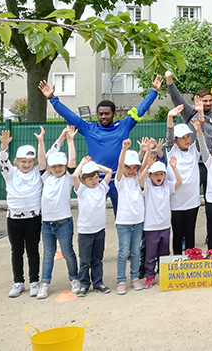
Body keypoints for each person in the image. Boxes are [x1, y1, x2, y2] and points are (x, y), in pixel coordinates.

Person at [38, 75, 163, 214]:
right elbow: (69, 115)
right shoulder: (88, 128)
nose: (103, 116)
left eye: (107, 114)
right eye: (100, 114)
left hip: (119, 180)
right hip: (95, 181)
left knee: (123, 216)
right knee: (93, 217)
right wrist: (52, 98)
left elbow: (140, 109)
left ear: (114, 114)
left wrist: (154, 91)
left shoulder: (124, 125)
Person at [34, 127, 80, 300]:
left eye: (61, 165)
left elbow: (73, 160)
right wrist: (41, 142)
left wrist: (70, 141)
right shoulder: (46, 177)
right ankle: (44, 283)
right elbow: (41, 161)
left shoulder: (68, 179)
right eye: (54, 166)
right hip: (47, 223)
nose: (58, 168)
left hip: (64, 222)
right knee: (48, 254)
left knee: (68, 252)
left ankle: (74, 279)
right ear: (49, 168)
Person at [0, 130, 43, 299]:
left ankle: (34, 282)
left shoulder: (38, 173)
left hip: (33, 219)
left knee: (32, 250)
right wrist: (4, 146)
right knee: (16, 251)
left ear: (34, 162)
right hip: (14, 219)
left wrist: (55, 140)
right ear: (16, 161)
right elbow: (2, 161)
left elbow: (49, 156)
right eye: (23, 161)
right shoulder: (10, 173)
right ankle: (18, 282)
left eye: (30, 161)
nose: (26, 164)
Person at [165, 71, 212, 202]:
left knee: (211, 198)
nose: (208, 103)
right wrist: (170, 81)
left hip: (211, 161)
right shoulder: (191, 112)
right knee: (189, 196)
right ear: (197, 99)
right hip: (195, 163)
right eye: (205, 101)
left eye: (210, 100)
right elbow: (178, 100)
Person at [141, 150, 182, 290]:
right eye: (156, 174)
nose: (159, 177)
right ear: (150, 176)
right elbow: (140, 180)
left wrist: (174, 168)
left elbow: (179, 181)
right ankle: (149, 277)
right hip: (151, 227)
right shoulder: (147, 187)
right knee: (150, 254)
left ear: (165, 175)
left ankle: (164, 276)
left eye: (161, 174)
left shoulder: (167, 185)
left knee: (164, 253)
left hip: (165, 226)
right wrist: (147, 167)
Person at [73, 157, 114, 296]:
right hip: (85, 231)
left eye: (96, 177)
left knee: (97, 258)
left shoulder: (102, 188)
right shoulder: (82, 190)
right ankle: (84, 284)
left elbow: (109, 172)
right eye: (90, 178)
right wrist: (83, 164)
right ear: (83, 180)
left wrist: (96, 165)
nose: (94, 180)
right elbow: (74, 175)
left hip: (99, 230)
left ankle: (98, 283)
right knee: (85, 260)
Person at [166, 107, 203, 255]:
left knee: (190, 234)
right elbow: (169, 135)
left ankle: (190, 262)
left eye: (188, 136)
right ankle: (177, 261)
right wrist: (170, 116)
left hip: (192, 202)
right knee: (177, 235)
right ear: (176, 140)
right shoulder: (171, 150)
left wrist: (200, 119)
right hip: (176, 203)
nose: (186, 140)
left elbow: (201, 136)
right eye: (182, 137)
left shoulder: (194, 149)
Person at [114, 140, 145, 295]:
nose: (131, 170)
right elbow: (120, 167)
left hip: (138, 221)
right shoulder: (120, 181)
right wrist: (124, 149)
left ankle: (134, 277)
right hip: (123, 222)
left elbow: (143, 166)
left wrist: (144, 151)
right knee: (123, 252)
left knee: (135, 252)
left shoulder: (138, 179)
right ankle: (121, 280)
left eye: (134, 167)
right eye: (128, 167)